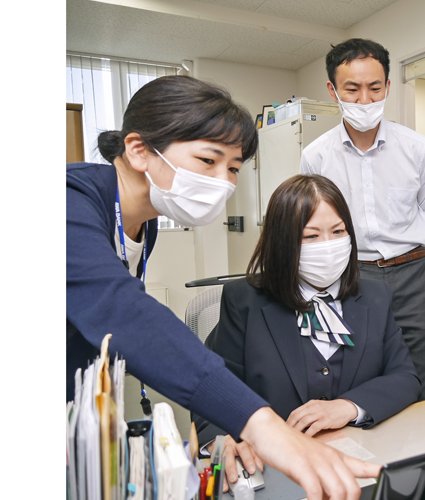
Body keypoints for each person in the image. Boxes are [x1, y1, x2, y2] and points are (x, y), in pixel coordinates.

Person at [66, 75, 378, 500]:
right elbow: (121, 312)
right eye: (208, 160)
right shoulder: (68, 201)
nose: (223, 182)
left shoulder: (143, 221)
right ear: (139, 150)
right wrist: (264, 427)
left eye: (233, 168)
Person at [192, 174, 422, 491]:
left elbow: (405, 377)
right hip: (275, 470)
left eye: (338, 231)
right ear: (282, 242)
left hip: (358, 466)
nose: (328, 246)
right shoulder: (243, 300)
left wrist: (348, 407)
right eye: (311, 236)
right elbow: (211, 389)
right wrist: (219, 440)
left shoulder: (375, 296)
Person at [300, 38, 425, 400]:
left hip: (412, 274)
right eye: (352, 89)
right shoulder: (315, 156)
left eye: (374, 88)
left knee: (424, 375)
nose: (364, 100)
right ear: (333, 90)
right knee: (355, 373)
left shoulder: (417, 148)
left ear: (388, 87)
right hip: (352, 276)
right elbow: (312, 224)